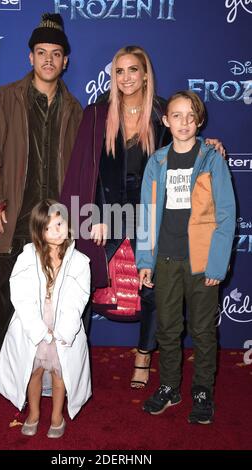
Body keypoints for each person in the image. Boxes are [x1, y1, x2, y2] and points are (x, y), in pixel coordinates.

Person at [61, 46, 224, 389]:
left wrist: (211, 147)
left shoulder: (164, 113)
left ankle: (144, 355)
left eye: (133, 70)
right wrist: (90, 217)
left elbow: (186, 146)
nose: (126, 78)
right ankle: (73, 359)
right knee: (83, 290)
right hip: (106, 215)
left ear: (145, 74)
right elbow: (85, 171)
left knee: (153, 291)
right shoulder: (96, 114)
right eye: (119, 71)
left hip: (152, 218)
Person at [0, 13, 83, 401]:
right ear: (30, 57)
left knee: (59, 296)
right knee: (4, 290)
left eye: (55, 53)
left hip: (58, 222)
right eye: (41, 52)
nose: (48, 59)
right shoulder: (6, 98)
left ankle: (58, 370)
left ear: (65, 60)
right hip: (14, 211)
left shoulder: (75, 108)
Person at [136, 91, 236, 424]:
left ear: (200, 120)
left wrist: (217, 264)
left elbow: (225, 213)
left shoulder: (212, 159)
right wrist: (145, 262)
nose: (184, 122)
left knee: (204, 330)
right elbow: (147, 215)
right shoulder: (157, 162)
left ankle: (203, 390)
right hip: (164, 258)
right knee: (167, 328)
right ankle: (168, 387)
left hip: (202, 261)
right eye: (176, 116)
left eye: (190, 116)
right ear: (165, 121)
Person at [0, 199, 91, 438]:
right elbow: (21, 295)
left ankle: (57, 416)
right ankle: (33, 413)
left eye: (60, 223)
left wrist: (63, 332)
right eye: (48, 227)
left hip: (63, 328)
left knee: (60, 373)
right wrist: (37, 330)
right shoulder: (27, 257)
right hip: (32, 326)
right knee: (32, 372)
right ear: (39, 232)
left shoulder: (79, 261)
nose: (56, 230)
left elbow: (78, 299)